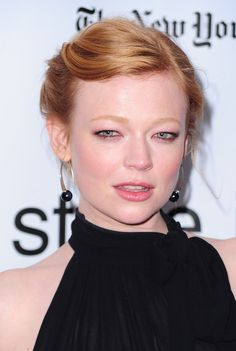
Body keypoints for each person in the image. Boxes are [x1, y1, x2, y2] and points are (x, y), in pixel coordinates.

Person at [0, 17, 236, 351]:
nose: (140, 159)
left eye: (163, 134)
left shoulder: (231, 271)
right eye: (109, 133)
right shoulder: (11, 310)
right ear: (61, 139)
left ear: (185, 143)